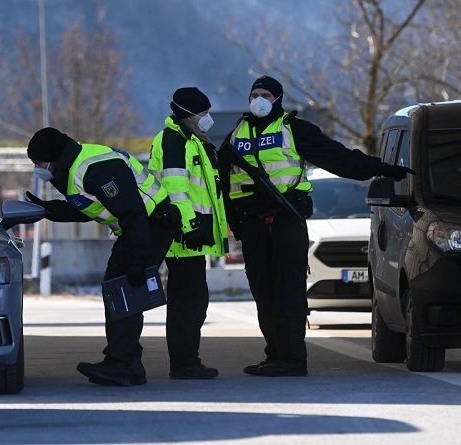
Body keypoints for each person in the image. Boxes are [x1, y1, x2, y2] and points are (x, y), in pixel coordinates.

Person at [218, 75, 412, 377]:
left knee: (288, 292)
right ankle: (275, 355)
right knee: (263, 292)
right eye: (254, 94)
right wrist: (235, 225)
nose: (258, 100)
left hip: (286, 222)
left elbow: (340, 159)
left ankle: (293, 359)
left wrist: (384, 169)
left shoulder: (293, 129)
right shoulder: (234, 137)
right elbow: (224, 184)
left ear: (278, 99)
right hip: (252, 225)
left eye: (266, 95)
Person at [25, 127, 181, 386]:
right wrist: (48, 209)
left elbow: (134, 214)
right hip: (139, 227)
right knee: (118, 290)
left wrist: (137, 262)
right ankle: (129, 364)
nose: (38, 168)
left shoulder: (97, 167)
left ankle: (121, 364)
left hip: (150, 225)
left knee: (124, 291)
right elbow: (90, 208)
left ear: (52, 157)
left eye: (38, 162)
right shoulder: (73, 168)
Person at [148, 87, 229, 380]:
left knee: (194, 302)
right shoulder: (174, 140)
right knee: (187, 304)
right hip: (184, 238)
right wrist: (190, 225)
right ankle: (184, 363)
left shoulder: (191, 140)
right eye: (203, 114)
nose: (207, 119)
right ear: (189, 114)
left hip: (194, 236)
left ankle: (187, 360)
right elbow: (175, 188)